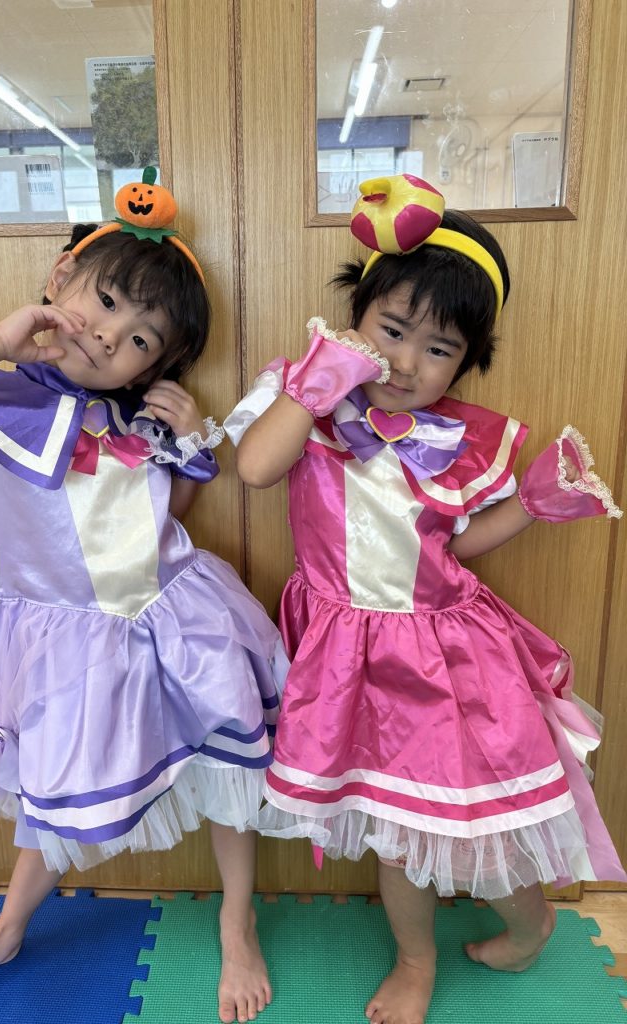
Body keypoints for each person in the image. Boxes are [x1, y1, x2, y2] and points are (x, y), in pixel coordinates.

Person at [0, 169, 282, 1024]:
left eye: (140, 338)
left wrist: (185, 439)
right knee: (57, 788)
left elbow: (161, 517)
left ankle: (238, 924)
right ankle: (7, 929)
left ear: (157, 364)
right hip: (68, 648)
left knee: (226, 762)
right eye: (107, 300)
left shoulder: (133, 419)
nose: (110, 334)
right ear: (61, 279)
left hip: (182, 618)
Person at [224, 174, 625, 1024]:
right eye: (391, 330)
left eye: (438, 348)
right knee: (393, 827)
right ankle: (416, 959)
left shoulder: (464, 440)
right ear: (355, 319)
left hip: (445, 659)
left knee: (472, 826)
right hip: (344, 658)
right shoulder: (306, 404)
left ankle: (532, 924)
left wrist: (534, 503)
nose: (405, 362)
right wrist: (317, 383)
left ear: (466, 363)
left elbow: (457, 547)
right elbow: (254, 469)